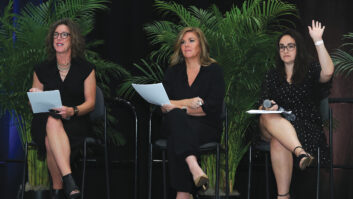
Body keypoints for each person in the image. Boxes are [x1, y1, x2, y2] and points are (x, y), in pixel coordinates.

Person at [258, 20, 334, 199]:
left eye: (290, 46)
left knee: (278, 141)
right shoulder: (272, 74)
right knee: (268, 115)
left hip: (304, 126)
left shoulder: (310, 70)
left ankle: (283, 196)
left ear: (298, 48)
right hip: (271, 125)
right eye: (282, 47)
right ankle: (300, 153)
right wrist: (270, 106)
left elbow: (328, 72)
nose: (285, 50)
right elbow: (262, 104)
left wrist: (318, 41)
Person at [29, 18, 96, 199]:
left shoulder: (86, 68)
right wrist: (34, 94)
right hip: (44, 120)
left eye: (64, 34)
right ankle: (68, 179)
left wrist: (72, 110)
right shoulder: (41, 68)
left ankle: (58, 191)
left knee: (51, 140)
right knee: (51, 121)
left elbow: (91, 103)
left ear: (72, 39)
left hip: (74, 120)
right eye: (56, 35)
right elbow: (34, 104)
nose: (59, 38)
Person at [161, 27, 225, 199]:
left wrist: (177, 106)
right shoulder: (173, 71)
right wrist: (188, 103)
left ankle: (183, 194)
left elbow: (210, 108)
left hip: (205, 125)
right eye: (183, 42)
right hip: (177, 123)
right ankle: (194, 167)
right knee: (176, 119)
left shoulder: (213, 70)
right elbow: (162, 103)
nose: (186, 45)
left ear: (201, 45)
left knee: (177, 136)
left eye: (191, 41)